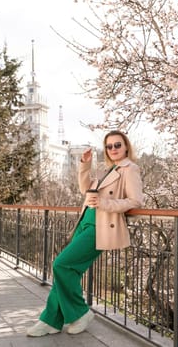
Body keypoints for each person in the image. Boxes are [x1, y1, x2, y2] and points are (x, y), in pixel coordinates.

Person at [27, 130, 144, 337]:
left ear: (126, 146)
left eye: (118, 145)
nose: (114, 149)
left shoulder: (130, 169)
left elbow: (135, 202)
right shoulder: (109, 169)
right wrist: (85, 164)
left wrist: (104, 203)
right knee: (68, 271)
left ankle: (81, 312)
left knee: (61, 265)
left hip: (102, 226)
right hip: (85, 222)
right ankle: (51, 321)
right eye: (109, 146)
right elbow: (85, 190)